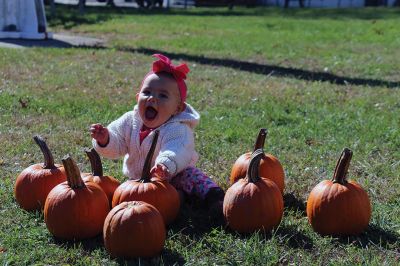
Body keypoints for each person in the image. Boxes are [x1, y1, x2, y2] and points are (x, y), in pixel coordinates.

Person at [90, 54, 225, 218]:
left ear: (177, 108)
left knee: (192, 177)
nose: (152, 98)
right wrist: (106, 139)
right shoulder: (130, 120)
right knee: (125, 196)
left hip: (174, 173)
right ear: (137, 97)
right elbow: (117, 143)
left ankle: (214, 198)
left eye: (163, 95)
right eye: (147, 92)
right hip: (138, 180)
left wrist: (165, 165)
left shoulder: (178, 129)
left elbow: (177, 150)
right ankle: (178, 198)